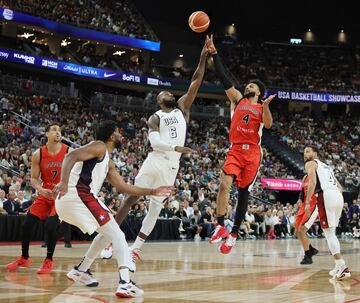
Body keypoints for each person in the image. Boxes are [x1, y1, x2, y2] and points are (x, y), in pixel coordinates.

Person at [110, 38, 209, 261]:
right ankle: (111, 239)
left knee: (155, 208)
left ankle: (136, 247)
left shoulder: (182, 108)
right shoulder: (155, 117)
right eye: (163, 94)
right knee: (131, 198)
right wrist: (177, 147)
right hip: (155, 160)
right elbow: (154, 143)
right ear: (159, 101)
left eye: (169, 92)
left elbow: (196, 80)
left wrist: (203, 56)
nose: (168, 93)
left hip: (172, 166)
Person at [53, 120, 174, 298]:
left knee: (108, 233)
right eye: (118, 132)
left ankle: (81, 270)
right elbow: (70, 156)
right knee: (118, 235)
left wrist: (152, 191)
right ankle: (125, 283)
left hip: (70, 201)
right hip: (77, 196)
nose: (121, 135)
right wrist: (63, 182)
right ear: (111, 136)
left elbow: (124, 187)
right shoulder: (99, 146)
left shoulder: (107, 161)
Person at [205, 35, 276, 254]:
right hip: (235, 149)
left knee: (243, 191)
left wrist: (265, 107)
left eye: (251, 84)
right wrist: (215, 54)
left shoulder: (260, 107)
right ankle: (220, 225)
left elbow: (269, 124)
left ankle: (234, 233)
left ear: (258, 92)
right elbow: (225, 79)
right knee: (225, 183)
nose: (247, 85)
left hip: (253, 153)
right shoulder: (238, 100)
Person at [6, 123, 70, 274]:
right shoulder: (38, 154)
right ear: (46, 134)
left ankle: (49, 260)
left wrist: (65, 184)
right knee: (26, 225)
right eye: (54, 129)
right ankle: (24, 257)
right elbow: (34, 179)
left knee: (50, 226)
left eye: (60, 130)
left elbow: (78, 171)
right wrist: (41, 189)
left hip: (61, 196)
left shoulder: (69, 152)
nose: (58, 132)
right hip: (45, 193)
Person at [303, 146, 351, 280]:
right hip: (337, 195)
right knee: (332, 232)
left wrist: (307, 202)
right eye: (304, 152)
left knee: (329, 233)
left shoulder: (310, 163)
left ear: (315, 153)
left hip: (326, 195)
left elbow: (312, 182)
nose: (305, 154)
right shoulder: (326, 166)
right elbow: (340, 187)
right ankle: (337, 264)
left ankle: (342, 266)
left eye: (308, 151)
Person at [295, 175, 319, 264]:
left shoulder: (318, 176)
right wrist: (300, 199)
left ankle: (308, 256)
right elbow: (302, 191)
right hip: (305, 205)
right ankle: (311, 249)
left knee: (302, 230)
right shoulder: (305, 177)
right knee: (297, 232)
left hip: (313, 205)